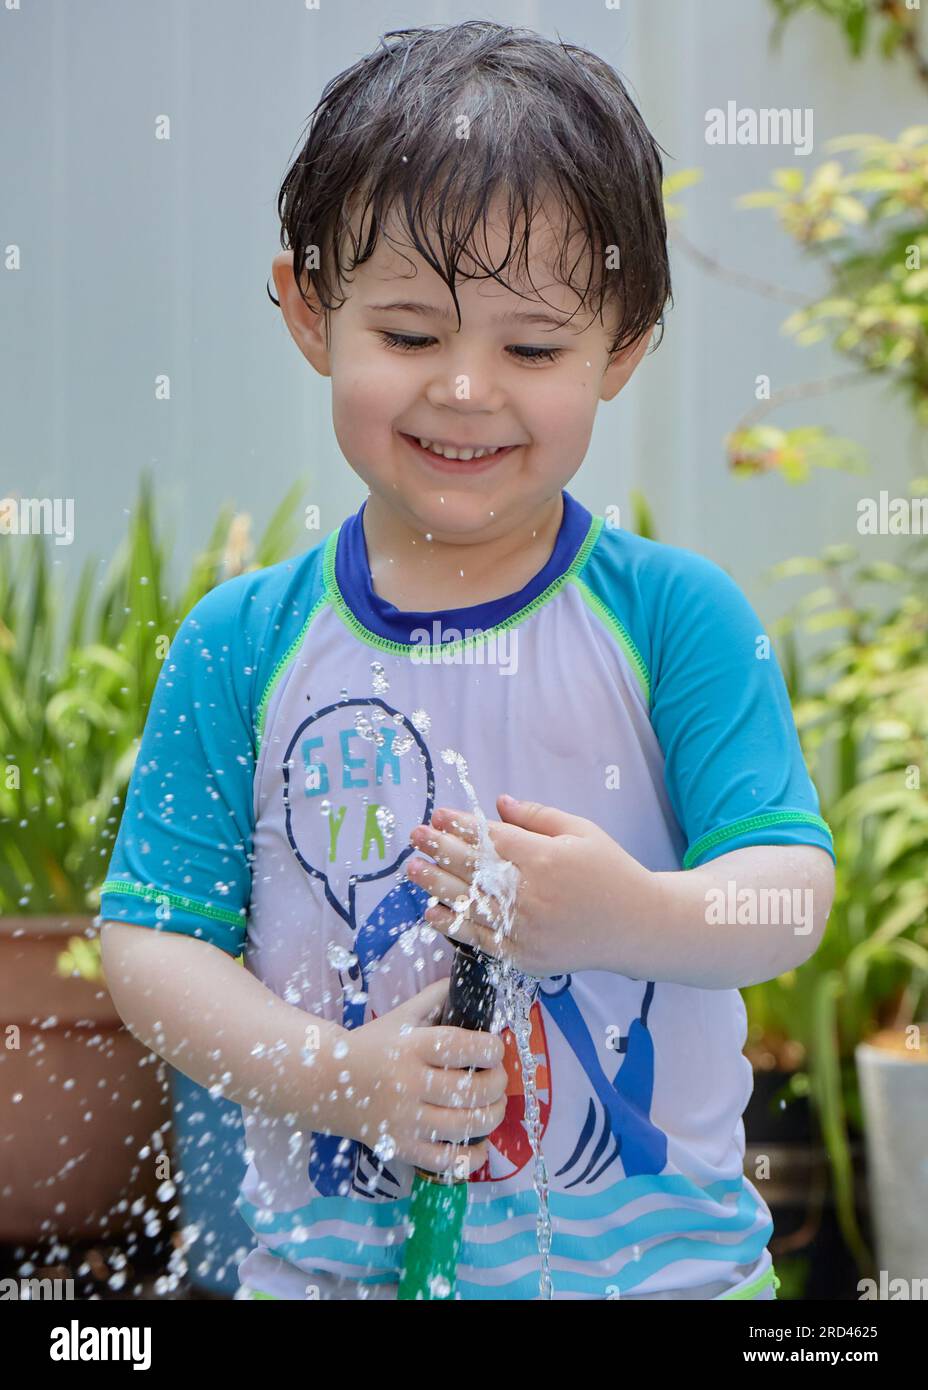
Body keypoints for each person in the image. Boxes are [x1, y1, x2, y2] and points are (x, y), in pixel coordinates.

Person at [99, 21, 835, 1302]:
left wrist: (623, 915)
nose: (464, 389)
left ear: (624, 348)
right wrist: (340, 1076)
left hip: (662, 1283)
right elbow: (150, 948)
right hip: (324, 1278)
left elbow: (787, 897)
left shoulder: (677, 620)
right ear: (308, 309)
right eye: (408, 333)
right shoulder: (242, 644)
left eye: (533, 349)